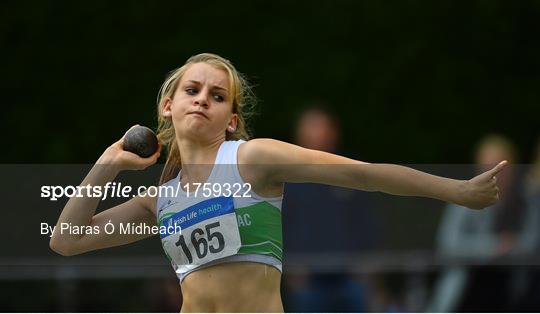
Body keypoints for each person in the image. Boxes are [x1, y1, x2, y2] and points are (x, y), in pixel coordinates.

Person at [50, 53, 506, 312]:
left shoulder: (252, 159)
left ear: (231, 120)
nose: (203, 100)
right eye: (192, 91)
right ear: (168, 106)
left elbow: (363, 174)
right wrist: (107, 163)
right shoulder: (161, 200)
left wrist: (458, 191)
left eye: (217, 95)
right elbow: (67, 241)